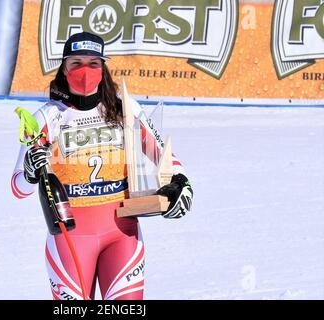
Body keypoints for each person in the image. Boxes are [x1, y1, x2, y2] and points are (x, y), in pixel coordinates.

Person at [11, 32, 193, 300]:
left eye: (94, 64)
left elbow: (162, 154)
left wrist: (179, 182)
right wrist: (29, 172)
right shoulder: (46, 118)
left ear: (103, 67)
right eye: (76, 63)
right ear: (64, 68)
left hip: (123, 234)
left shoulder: (124, 108)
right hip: (69, 236)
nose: (85, 71)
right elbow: (18, 188)